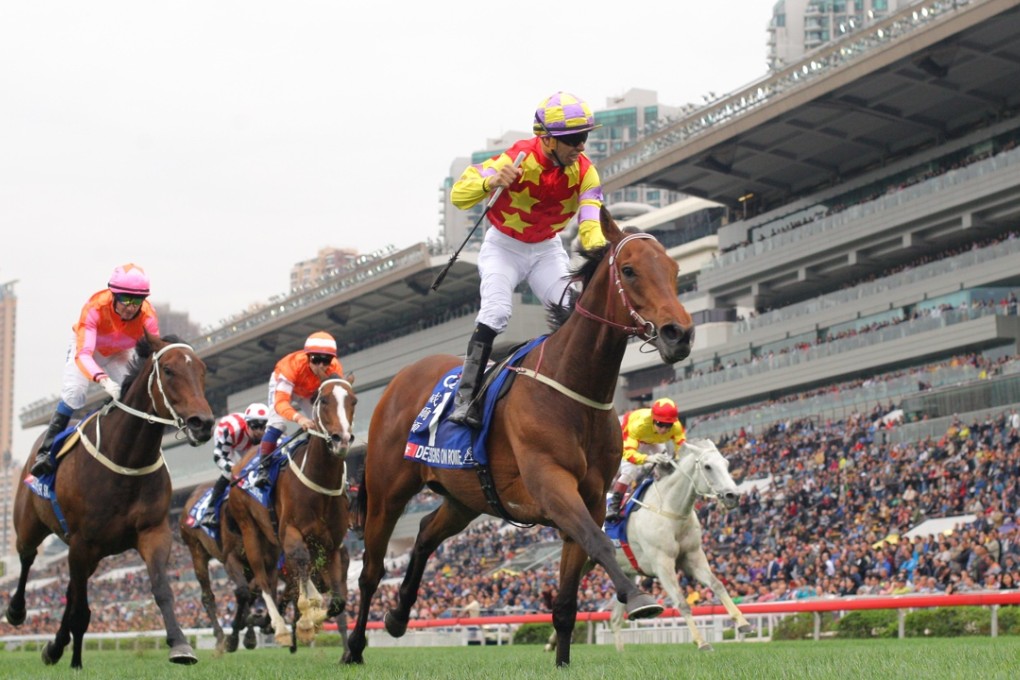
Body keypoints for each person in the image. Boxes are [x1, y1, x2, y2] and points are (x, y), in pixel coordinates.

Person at [446, 91, 607, 428]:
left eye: (585, 137)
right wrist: (490, 181)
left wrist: (599, 256)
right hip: (504, 247)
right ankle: (466, 399)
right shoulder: (518, 158)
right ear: (546, 140)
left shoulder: (586, 172)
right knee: (497, 311)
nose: (581, 146)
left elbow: (590, 222)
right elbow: (459, 195)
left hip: (546, 249)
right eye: (574, 139)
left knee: (574, 307)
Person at [30, 263, 159, 477]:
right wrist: (103, 380)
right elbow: (84, 355)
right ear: (114, 295)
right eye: (126, 299)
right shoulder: (95, 308)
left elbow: (152, 353)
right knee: (75, 393)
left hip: (118, 353)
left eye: (137, 301)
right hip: (86, 351)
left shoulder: (148, 317)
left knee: (132, 390)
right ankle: (44, 452)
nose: (131, 307)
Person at [251, 331, 343, 488]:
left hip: (306, 391)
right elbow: (281, 404)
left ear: (332, 360)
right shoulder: (292, 367)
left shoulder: (335, 370)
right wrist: (299, 418)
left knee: (323, 425)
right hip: (286, 385)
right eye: (316, 360)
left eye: (326, 360)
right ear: (308, 357)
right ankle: (263, 468)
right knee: (278, 425)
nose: (321, 365)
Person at [605, 397, 687, 522]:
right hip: (632, 438)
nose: (664, 429)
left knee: (666, 467)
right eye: (660, 424)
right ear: (653, 419)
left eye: (668, 425)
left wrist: (677, 459)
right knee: (629, 473)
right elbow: (629, 454)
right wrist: (648, 458)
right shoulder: (639, 425)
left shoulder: (677, 427)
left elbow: (682, 449)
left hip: (653, 440)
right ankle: (613, 507)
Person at [198, 403, 269, 527]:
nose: (259, 432)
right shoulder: (230, 430)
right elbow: (219, 457)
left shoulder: (268, 430)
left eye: (263, 427)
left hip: (247, 442)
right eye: (255, 427)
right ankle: (210, 511)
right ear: (247, 424)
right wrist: (234, 469)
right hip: (231, 442)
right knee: (230, 473)